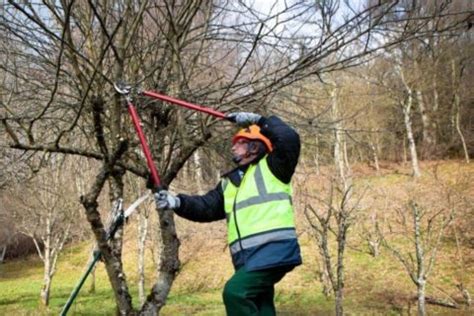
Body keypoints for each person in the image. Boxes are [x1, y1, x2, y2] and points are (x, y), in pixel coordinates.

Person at [155, 112, 302, 315]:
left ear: (255, 146)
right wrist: (176, 201)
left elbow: (288, 138)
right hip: (248, 257)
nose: (233, 146)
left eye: (240, 142)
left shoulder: (274, 167)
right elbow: (206, 207)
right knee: (261, 305)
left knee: (235, 293)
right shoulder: (230, 182)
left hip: (272, 251)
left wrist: (259, 120)